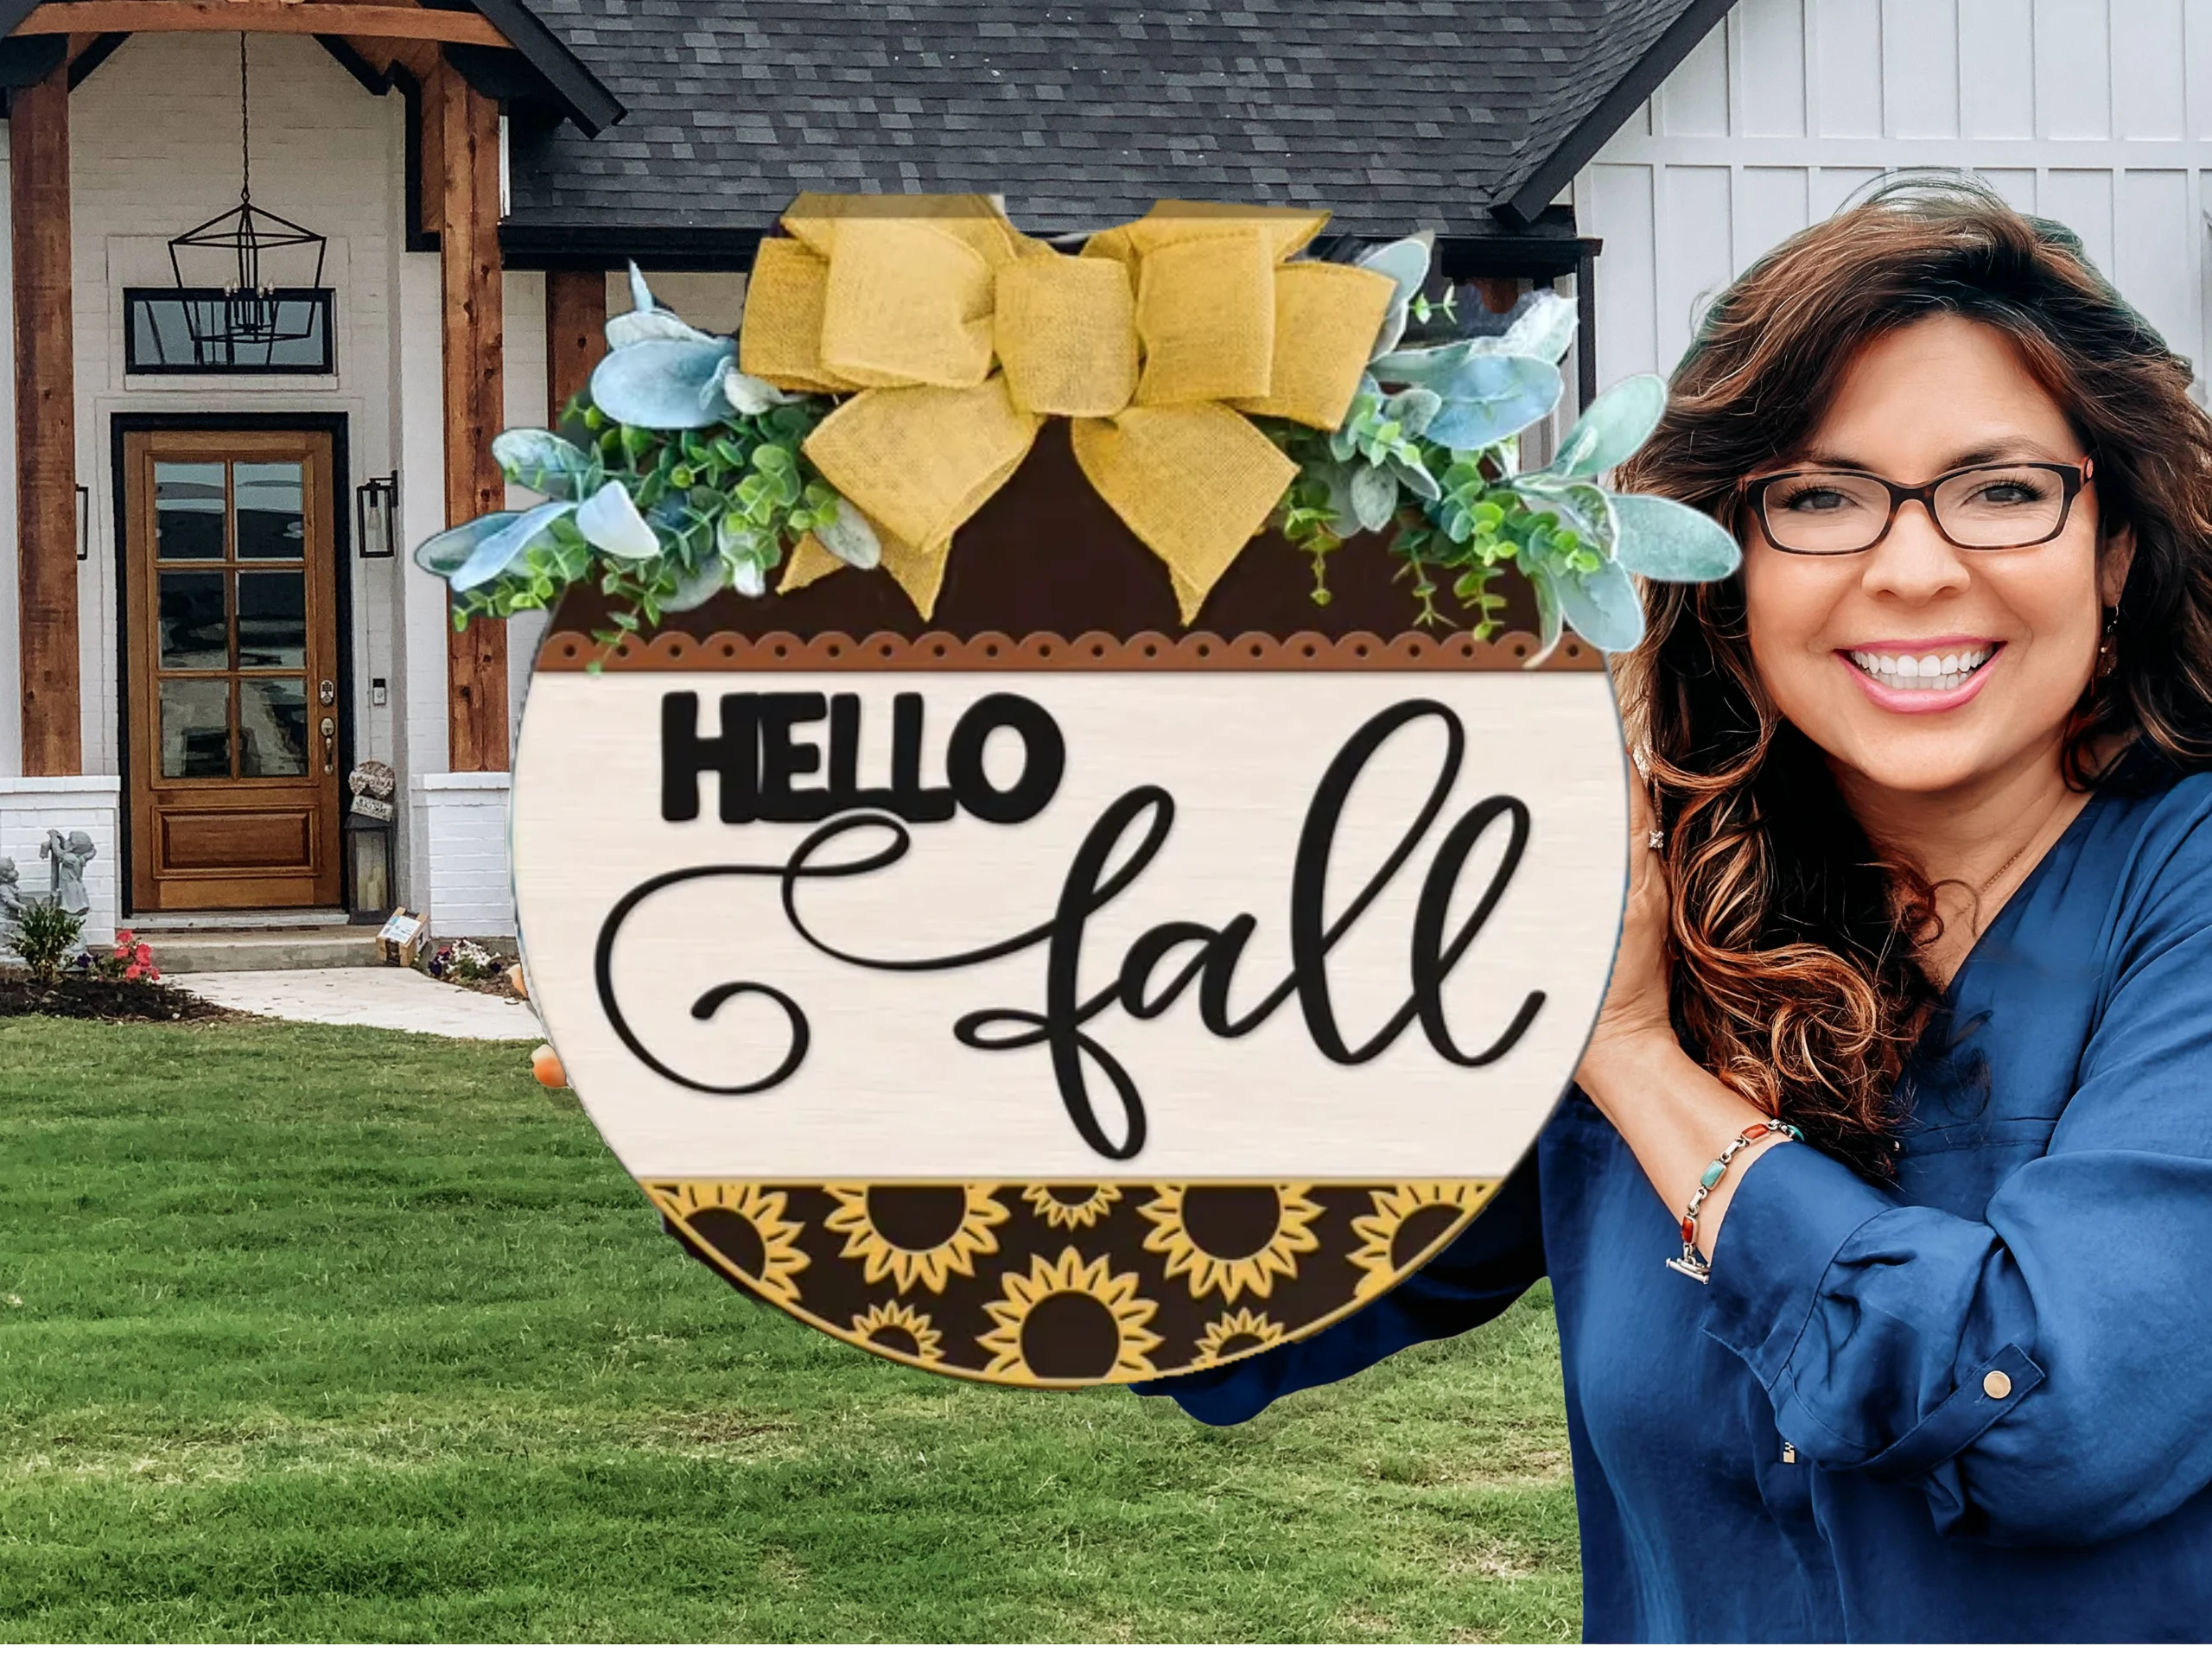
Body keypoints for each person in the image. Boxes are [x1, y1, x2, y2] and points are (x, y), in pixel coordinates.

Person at [1134, 178, 2212, 1642]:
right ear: (1728, 564)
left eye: (2003, 490)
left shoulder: (2180, 893)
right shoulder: (1654, 894)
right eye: (1819, 497)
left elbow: (2054, 1415)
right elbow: (1215, 1300)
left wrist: (1640, 1061)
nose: (1911, 566)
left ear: (2118, 547)